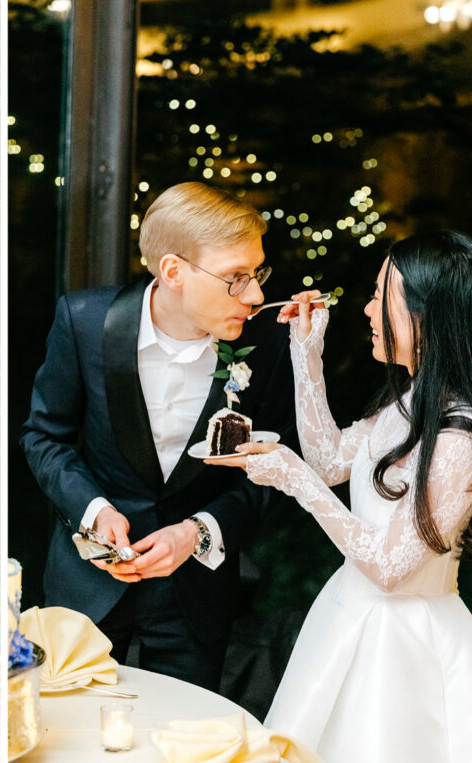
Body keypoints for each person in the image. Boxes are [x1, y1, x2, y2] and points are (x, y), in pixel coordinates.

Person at [211, 231, 472, 761]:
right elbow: (329, 461)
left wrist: (295, 482)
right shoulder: (413, 399)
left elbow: (391, 566)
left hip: (401, 648)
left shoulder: (460, 439)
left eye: (382, 297)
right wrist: (306, 353)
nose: (368, 310)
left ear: (429, 317)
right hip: (346, 615)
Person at [20, 182, 297, 691]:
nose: (255, 295)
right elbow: (45, 437)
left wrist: (199, 531)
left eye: (257, 274)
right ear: (173, 272)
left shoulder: (271, 343)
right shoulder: (84, 322)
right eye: (237, 278)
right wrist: (95, 511)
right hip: (89, 585)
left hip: (196, 596)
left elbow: (276, 470)